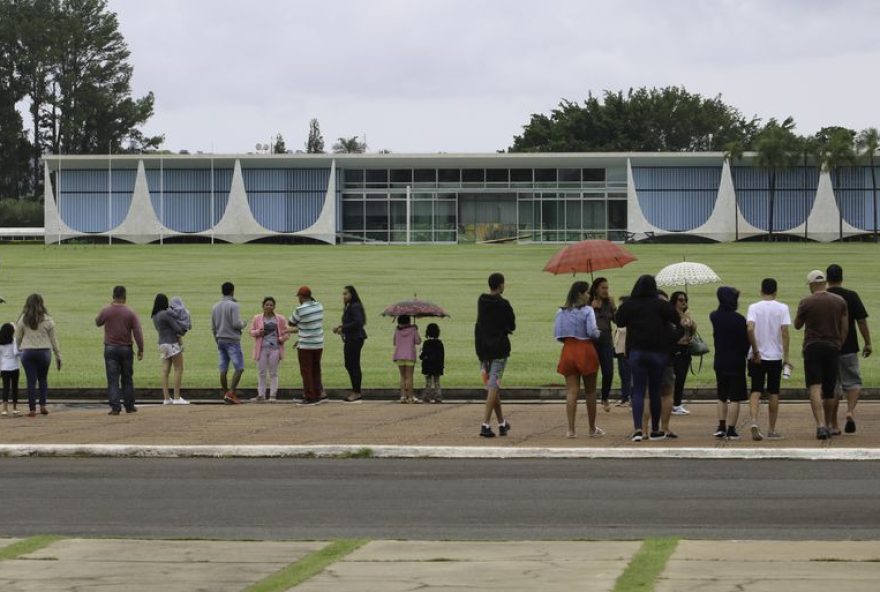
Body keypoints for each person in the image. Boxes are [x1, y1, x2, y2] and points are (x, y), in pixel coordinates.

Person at [615, 275, 679, 442]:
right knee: (656, 390)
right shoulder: (661, 305)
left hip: (636, 351)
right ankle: (656, 429)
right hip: (658, 352)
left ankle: (638, 428)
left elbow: (619, 321)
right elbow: (677, 320)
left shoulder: (630, 304)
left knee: (638, 390)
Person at [794, 270, 848, 440]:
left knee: (815, 387)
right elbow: (844, 327)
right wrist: (839, 343)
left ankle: (820, 425)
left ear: (811, 285)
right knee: (830, 389)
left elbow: (797, 324)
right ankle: (830, 423)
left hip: (812, 346)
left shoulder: (806, 302)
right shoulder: (839, 301)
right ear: (824, 283)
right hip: (832, 346)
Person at [826, 264, 872, 435]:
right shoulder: (851, 296)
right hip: (849, 346)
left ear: (827, 278)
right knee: (853, 382)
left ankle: (833, 424)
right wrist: (867, 342)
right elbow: (861, 321)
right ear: (842, 277)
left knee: (833, 386)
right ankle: (850, 411)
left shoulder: (823, 296)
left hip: (828, 347)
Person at [555, 280, 602, 438]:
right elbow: (592, 331)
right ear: (580, 294)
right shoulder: (588, 310)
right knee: (590, 392)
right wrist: (599, 333)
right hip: (585, 349)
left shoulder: (561, 312)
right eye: (587, 292)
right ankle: (591, 428)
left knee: (571, 392)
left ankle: (571, 429)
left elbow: (558, 335)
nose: (589, 295)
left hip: (568, 349)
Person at [746, 278, 791, 440]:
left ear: (761, 291)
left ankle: (753, 421)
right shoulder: (782, 308)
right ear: (775, 291)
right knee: (774, 392)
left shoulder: (753, 307)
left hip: (757, 356)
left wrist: (756, 350)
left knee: (755, 390)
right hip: (775, 357)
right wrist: (786, 357)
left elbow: (750, 328)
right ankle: (771, 429)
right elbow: (785, 333)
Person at [475, 272, 516, 438]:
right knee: (494, 386)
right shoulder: (504, 304)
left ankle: (501, 424)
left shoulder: (481, 301)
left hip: (483, 349)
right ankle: (485, 424)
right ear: (500, 285)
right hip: (499, 349)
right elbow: (511, 325)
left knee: (493, 388)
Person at [96, 285, 144, 416]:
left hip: (110, 348)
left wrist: (107, 307)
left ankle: (115, 407)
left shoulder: (107, 310)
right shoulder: (130, 312)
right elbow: (138, 332)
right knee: (127, 378)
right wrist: (141, 349)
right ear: (125, 297)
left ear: (113, 296)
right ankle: (129, 406)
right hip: (126, 348)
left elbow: (98, 322)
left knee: (112, 379)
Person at [710, 287, 750, 440]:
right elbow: (744, 342)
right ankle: (732, 429)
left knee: (722, 395)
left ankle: (721, 426)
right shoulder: (740, 319)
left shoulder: (714, 316)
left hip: (720, 359)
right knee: (735, 397)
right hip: (737, 360)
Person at [15, 294, 61, 417]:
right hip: (44, 352)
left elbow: (18, 338)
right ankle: (43, 405)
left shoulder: (23, 319)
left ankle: (32, 409)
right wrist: (58, 355)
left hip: (28, 352)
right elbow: (54, 339)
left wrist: (18, 350)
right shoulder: (48, 319)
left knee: (31, 381)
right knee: (43, 379)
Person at [211, 282, 247, 405]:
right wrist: (244, 323)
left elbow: (213, 327)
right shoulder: (234, 305)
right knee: (239, 368)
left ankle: (226, 392)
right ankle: (231, 393)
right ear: (232, 291)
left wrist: (217, 340)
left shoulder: (215, 306)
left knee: (223, 369)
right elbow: (236, 324)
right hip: (232, 340)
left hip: (220, 339)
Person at [151, 293, 190, 405]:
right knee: (178, 368)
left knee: (165, 371)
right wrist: (183, 329)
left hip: (162, 344)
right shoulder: (165, 314)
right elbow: (177, 328)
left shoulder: (155, 316)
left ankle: (166, 398)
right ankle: (177, 397)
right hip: (172, 343)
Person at [289, 286, 325, 406]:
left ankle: (309, 396)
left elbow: (291, 322)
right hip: (319, 343)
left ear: (301, 297)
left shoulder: (300, 309)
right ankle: (318, 393)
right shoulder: (319, 306)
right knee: (316, 369)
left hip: (306, 344)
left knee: (306, 371)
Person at [249, 296, 289, 402]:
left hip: (275, 348)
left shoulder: (280, 319)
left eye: (271, 305)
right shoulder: (257, 318)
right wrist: (258, 332)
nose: (269, 307)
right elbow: (251, 332)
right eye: (267, 304)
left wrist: (281, 339)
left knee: (273, 372)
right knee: (261, 372)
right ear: (263, 306)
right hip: (262, 349)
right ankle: (261, 395)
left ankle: (272, 395)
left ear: (274, 306)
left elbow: (287, 332)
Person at [333, 285, 367, 403]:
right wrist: (341, 328)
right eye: (343, 294)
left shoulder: (355, 306)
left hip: (356, 338)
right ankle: (356, 390)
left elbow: (358, 322)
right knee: (349, 364)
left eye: (346, 293)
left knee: (353, 364)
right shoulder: (349, 307)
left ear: (352, 294)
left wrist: (343, 328)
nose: (343, 296)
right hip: (352, 338)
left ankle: (356, 392)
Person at [589, 278, 616, 412]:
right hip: (591, 341)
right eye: (603, 288)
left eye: (607, 288)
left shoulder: (609, 303)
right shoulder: (588, 303)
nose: (606, 291)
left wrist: (614, 306)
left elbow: (618, 321)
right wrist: (591, 309)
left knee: (609, 371)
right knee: (591, 371)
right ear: (596, 289)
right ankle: (591, 396)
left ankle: (605, 397)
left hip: (605, 340)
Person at [670, 291, 696, 416]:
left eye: (685, 299)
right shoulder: (672, 316)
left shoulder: (686, 315)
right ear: (674, 301)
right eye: (680, 300)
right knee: (677, 377)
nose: (683, 302)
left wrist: (692, 325)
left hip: (686, 349)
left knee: (682, 377)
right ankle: (675, 404)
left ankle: (677, 402)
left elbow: (692, 333)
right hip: (677, 349)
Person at [393, 315, 421, 403]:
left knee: (402, 377)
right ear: (409, 321)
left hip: (399, 356)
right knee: (409, 377)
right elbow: (418, 341)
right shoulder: (413, 330)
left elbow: (394, 342)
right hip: (409, 356)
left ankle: (403, 396)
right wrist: (416, 330)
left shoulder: (397, 330)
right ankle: (410, 396)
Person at [613, 296, 632, 407]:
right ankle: (625, 397)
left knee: (627, 375)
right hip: (620, 350)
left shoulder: (628, 318)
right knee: (623, 374)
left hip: (626, 350)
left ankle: (627, 397)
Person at [420, 322, 444, 403]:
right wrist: (442, 366)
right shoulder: (440, 343)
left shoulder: (426, 343)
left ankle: (427, 397)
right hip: (437, 365)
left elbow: (423, 355)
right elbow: (441, 355)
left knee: (428, 382)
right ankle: (438, 397)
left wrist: (421, 354)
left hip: (428, 365)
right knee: (437, 382)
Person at [1, 322, 21, 416]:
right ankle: (15, 408)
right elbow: (16, 353)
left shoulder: (0, 343)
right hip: (14, 366)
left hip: (4, 367)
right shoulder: (14, 341)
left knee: (5, 388)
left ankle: (4, 409)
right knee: (14, 387)